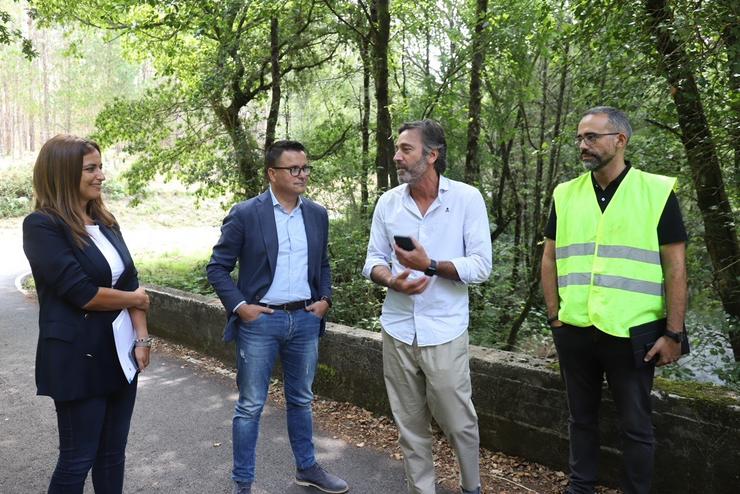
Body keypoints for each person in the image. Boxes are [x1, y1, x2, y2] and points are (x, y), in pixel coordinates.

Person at [541, 106, 688, 494]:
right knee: (580, 419)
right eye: (579, 138)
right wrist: (555, 315)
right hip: (575, 329)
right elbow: (550, 256)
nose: (582, 145)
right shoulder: (565, 193)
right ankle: (580, 488)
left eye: (591, 137)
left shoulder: (656, 192)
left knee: (637, 426)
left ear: (619, 140)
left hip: (633, 333)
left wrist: (673, 333)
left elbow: (676, 267)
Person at [206, 140, 348, 494]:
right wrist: (241, 307)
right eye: (293, 169)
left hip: (304, 319)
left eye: (305, 168)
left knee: (302, 399)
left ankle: (307, 468)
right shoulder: (245, 213)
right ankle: (243, 484)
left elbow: (323, 264)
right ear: (272, 173)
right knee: (251, 405)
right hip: (260, 323)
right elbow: (218, 268)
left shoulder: (316, 213)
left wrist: (325, 299)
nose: (302, 175)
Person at [362, 119, 492, 494]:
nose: (397, 156)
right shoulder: (388, 203)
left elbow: (481, 266)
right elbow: (372, 259)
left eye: (406, 149)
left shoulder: (467, 199)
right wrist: (391, 279)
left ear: (431, 156)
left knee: (458, 422)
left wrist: (430, 265)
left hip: (445, 330)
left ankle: (472, 488)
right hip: (398, 327)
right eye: (397, 149)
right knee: (409, 425)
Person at [22, 134, 151, 493]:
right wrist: (135, 301)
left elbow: (132, 282)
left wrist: (142, 339)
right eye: (90, 168)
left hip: (120, 354)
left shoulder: (106, 221)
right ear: (63, 173)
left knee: (113, 455)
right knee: (78, 459)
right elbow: (83, 294)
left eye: (100, 166)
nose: (100, 175)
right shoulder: (42, 226)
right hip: (76, 357)